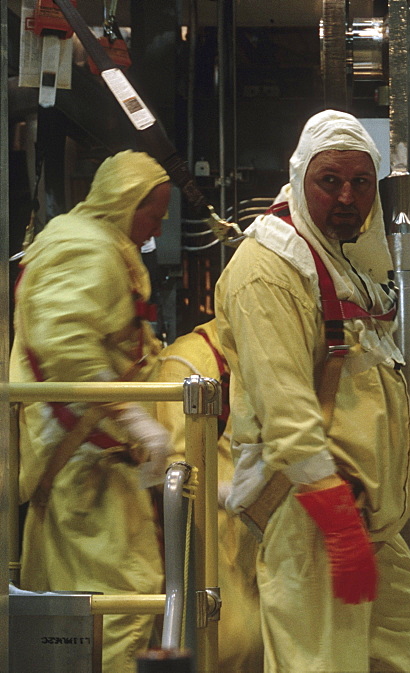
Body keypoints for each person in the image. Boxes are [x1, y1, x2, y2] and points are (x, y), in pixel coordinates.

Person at [215, 110, 410, 673]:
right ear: (300, 177)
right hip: (310, 513)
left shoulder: (340, 261)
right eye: (329, 181)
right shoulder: (268, 270)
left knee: (395, 642)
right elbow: (285, 406)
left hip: (370, 519)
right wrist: (335, 521)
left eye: (361, 182)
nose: (347, 196)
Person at [12, 150, 174, 673]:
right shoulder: (85, 247)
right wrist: (134, 417)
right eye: (154, 211)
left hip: (90, 459)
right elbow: (64, 342)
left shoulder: (95, 244)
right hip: (80, 462)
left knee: (86, 601)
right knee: (121, 597)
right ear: (125, 201)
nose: (160, 224)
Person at [154, 319, 264, 673]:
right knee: (235, 643)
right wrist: (223, 494)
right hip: (205, 535)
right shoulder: (190, 359)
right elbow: (175, 464)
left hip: (251, 530)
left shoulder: (255, 356)